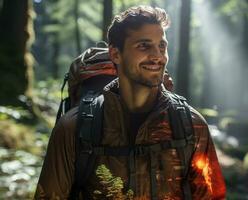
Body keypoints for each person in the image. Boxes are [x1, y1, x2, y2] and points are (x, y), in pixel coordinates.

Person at [35, 5, 226, 199]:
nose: (158, 56)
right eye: (144, 45)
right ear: (115, 54)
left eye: (162, 46)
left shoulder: (192, 126)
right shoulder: (73, 128)